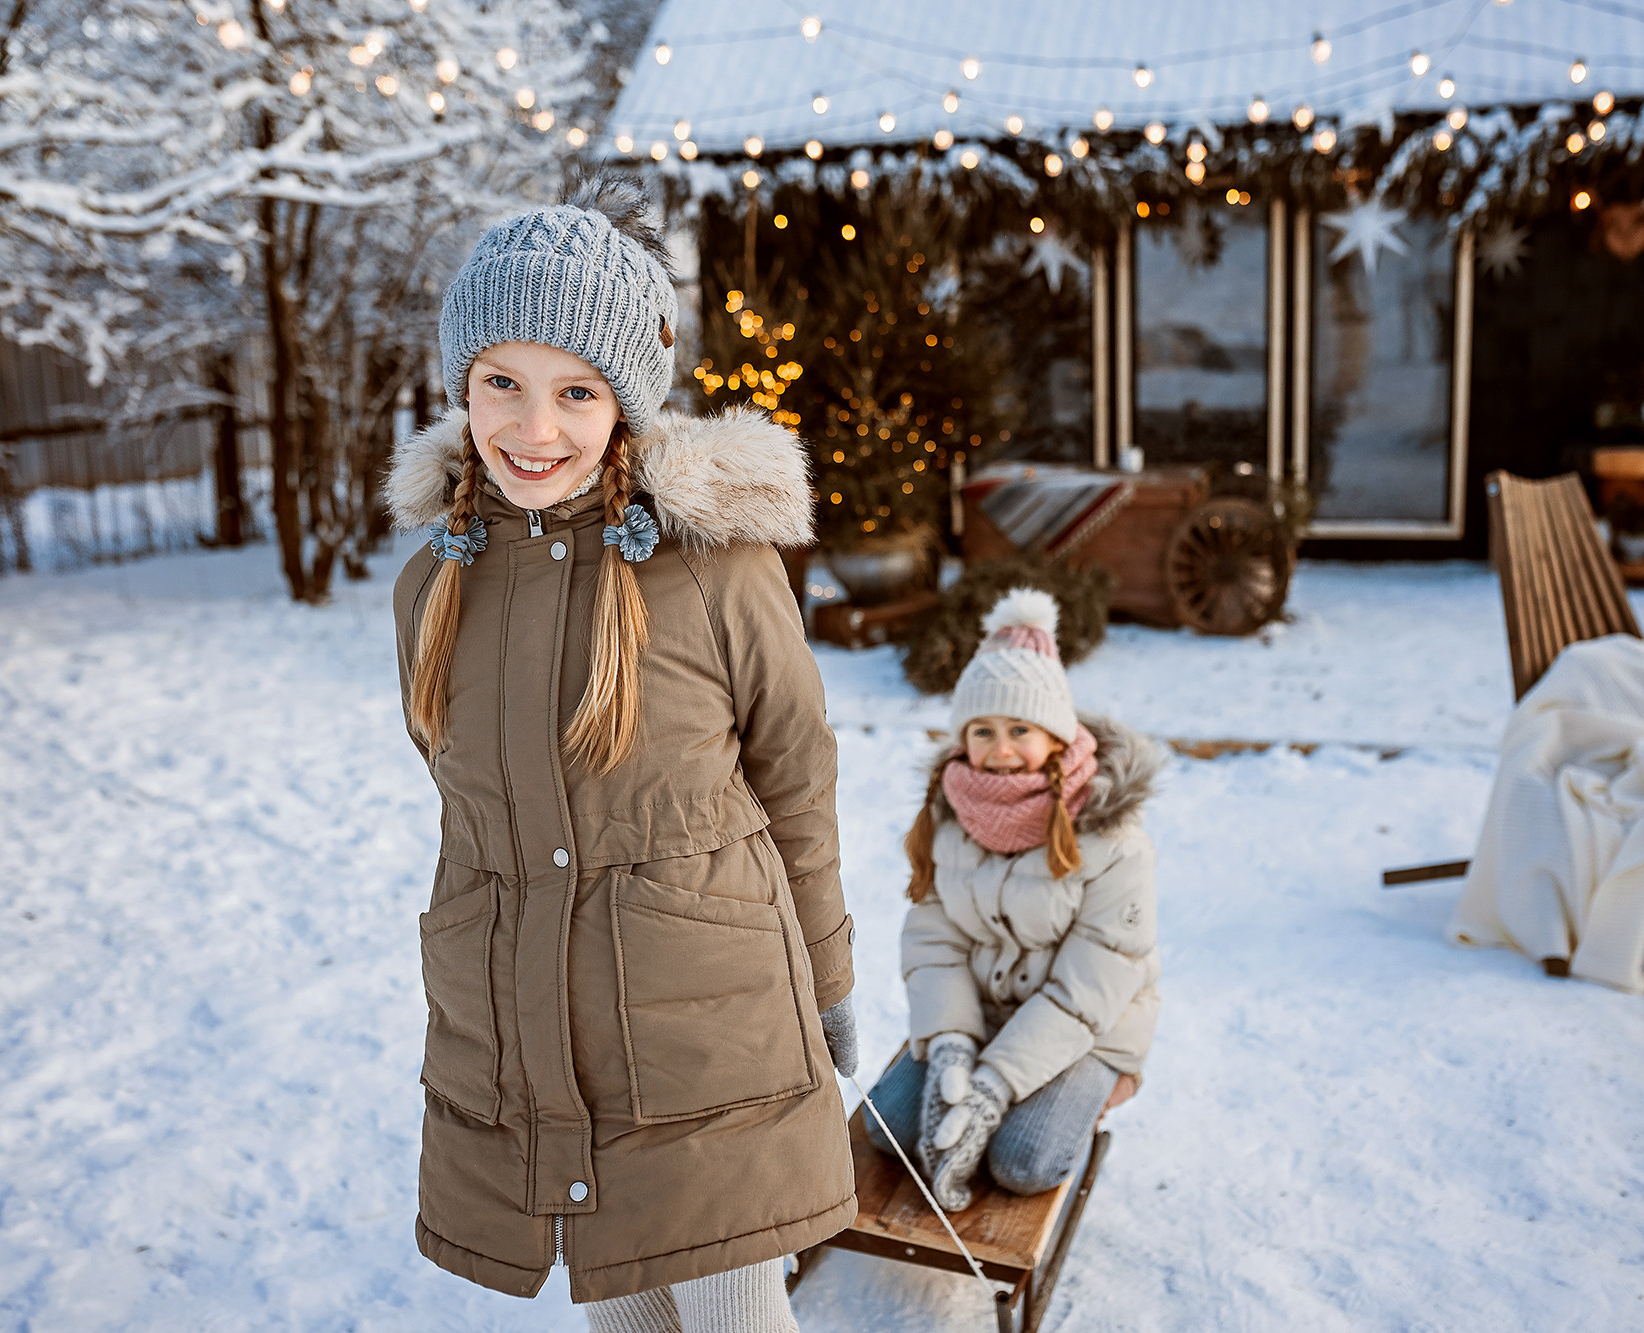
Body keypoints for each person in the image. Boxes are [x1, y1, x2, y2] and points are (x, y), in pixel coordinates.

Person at [387, 178, 857, 1332]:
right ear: (461, 386)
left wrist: (829, 975)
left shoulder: (714, 568)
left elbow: (794, 772)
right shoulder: (433, 586)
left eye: (575, 390)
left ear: (626, 400)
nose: (531, 428)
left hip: (709, 1040)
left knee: (734, 1309)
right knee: (627, 1310)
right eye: (501, 381)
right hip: (532, 1033)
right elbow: (467, 802)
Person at [865, 588, 1162, 1210]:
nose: (1000, 750)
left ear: (1057, 738)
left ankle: (1098, 1089)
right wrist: (951, 1041)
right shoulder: (950, 819)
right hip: (984, 1010)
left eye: (1020, 729)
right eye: (983, 730)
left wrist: (993, 1085)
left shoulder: (1112, 840)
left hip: (1087, 1027)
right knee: (885, 1129)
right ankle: (963, 1061)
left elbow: (1089, 990)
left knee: (1021, 1163)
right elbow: (934, 939)